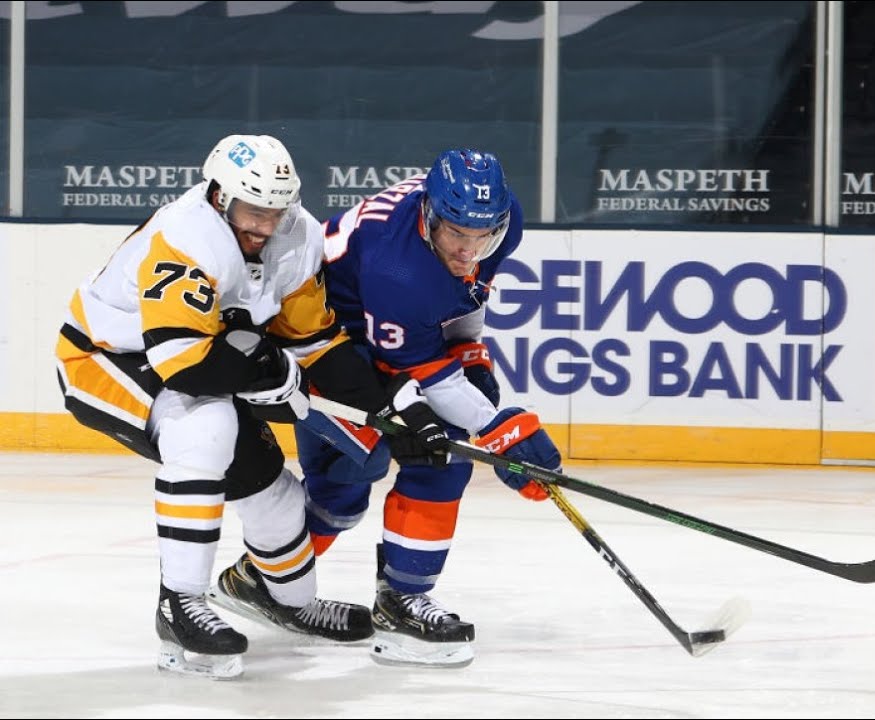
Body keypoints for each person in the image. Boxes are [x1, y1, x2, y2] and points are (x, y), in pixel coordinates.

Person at [53, 134, 448, 679]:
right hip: (104, 357)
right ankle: (180, 603)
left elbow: (316, 343)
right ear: (218, 196)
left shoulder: (299, 236)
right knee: (206, 427)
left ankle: (285, 600)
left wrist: (391, 409)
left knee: (277, 496)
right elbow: (186, 366)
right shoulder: (186, 235)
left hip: (199, 358)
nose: (263, 226)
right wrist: (274, 376)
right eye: (250, 210)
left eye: (275, 211)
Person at [265, 147, 562, 669]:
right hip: (324, 339)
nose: (470, 250)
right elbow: (415, 365)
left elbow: (467, 293)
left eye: (482, 237)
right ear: (428, 214)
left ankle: (401, 598)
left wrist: (470, 350)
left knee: (441, 457)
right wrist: (501, 429)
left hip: (386, 327)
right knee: (353, 478)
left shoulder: (500, 221)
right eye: (456, 236)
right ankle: (266, 579)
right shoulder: (399, 267)